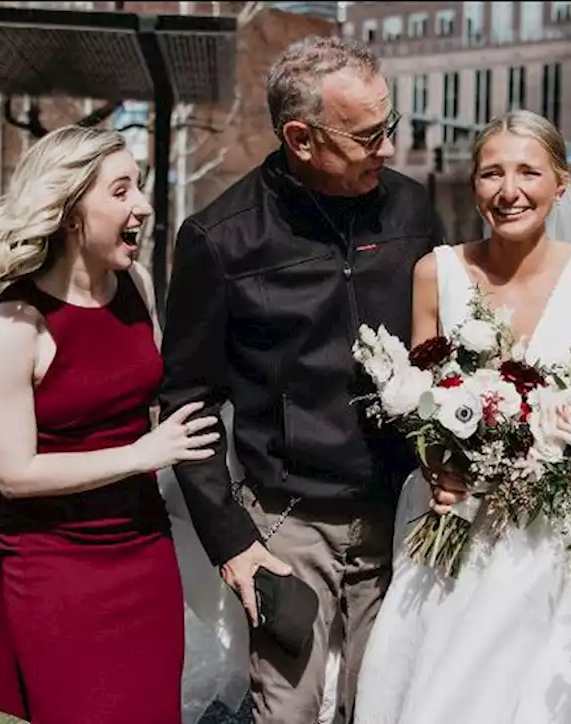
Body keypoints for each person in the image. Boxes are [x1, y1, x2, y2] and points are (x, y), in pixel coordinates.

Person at [157, 36, 445, 724]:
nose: (388, 148)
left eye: (389, 126)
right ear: (301, 137)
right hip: (284, 524)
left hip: (400, 512)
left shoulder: (411, 212)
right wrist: (232, 542)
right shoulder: (220, 238)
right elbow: (188, 403)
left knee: (384, 705)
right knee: (285, 711)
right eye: (369, 134)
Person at [354, 109, 571, 724]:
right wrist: (439, 463)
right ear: (474, 185)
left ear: (561, 184)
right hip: (460, 525)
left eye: (528, 172)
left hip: (565, 536)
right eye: (491, 173)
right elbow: (420, 400)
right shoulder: (436, 272)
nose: (509, 190)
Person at [0, 126, 218, 722]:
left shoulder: (137, 286)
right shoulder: (11, 327)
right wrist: (142, 454)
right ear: (72, 212)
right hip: (55, 569)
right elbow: (14, 474)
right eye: (122, 190)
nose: (143, 206)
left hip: (145, 554)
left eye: (141, 188)